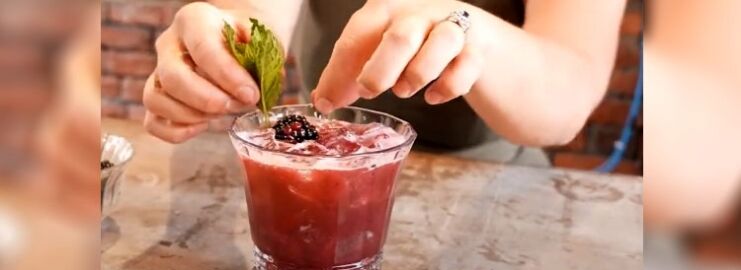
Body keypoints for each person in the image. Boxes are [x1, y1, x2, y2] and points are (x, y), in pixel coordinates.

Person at [142, 0, 626, 151]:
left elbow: (569, 92)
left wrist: (470, 28)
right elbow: (251, 13)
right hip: (319, 158)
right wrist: (219, 39)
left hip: (488, 185)